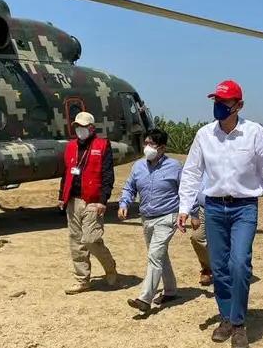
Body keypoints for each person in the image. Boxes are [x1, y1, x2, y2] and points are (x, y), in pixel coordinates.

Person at [177, 79, 263, 348]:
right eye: (216, 101)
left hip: (244, 207)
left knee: (239, 263)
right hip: (213, 207)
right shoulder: (204, 135)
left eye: (225, 103)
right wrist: (184, 207)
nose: (219, 107)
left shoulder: (254, 133)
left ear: (239, 105)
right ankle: (226, 316)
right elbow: (191, 172)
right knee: (220, 267)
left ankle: (238, 325)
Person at [117, 128, 182, 310]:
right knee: (160, 255)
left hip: (167, 216)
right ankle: (170, 291)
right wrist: (124, 204)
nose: (147, 147)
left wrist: (191, 213)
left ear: (161, 148)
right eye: (145, 143)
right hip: (146, 218)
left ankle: (144, 298)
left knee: (154, 255)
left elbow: (185, 191)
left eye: (151, 144)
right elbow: (130, 187)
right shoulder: (138, 166)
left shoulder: (175, 167)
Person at [58, 111, 119, 294]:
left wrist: (103, 200)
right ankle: (82, 280)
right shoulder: (70, 147)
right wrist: (62, 196)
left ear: (92, 128)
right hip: (73, 200)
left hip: (93, 201)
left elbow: (108, 175)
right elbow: (66, 172)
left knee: (91, 239)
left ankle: (110, 267)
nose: (80, 130)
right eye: (77, 126)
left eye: (83, 127)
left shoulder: (102, 145)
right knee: (76, 242)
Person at [187, 172, 213, 286]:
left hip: (224, 206)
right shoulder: (200, 159)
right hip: (202, 207)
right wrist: (194, 214)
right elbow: (191, 187)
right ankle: (207, 267)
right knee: (197, 237)